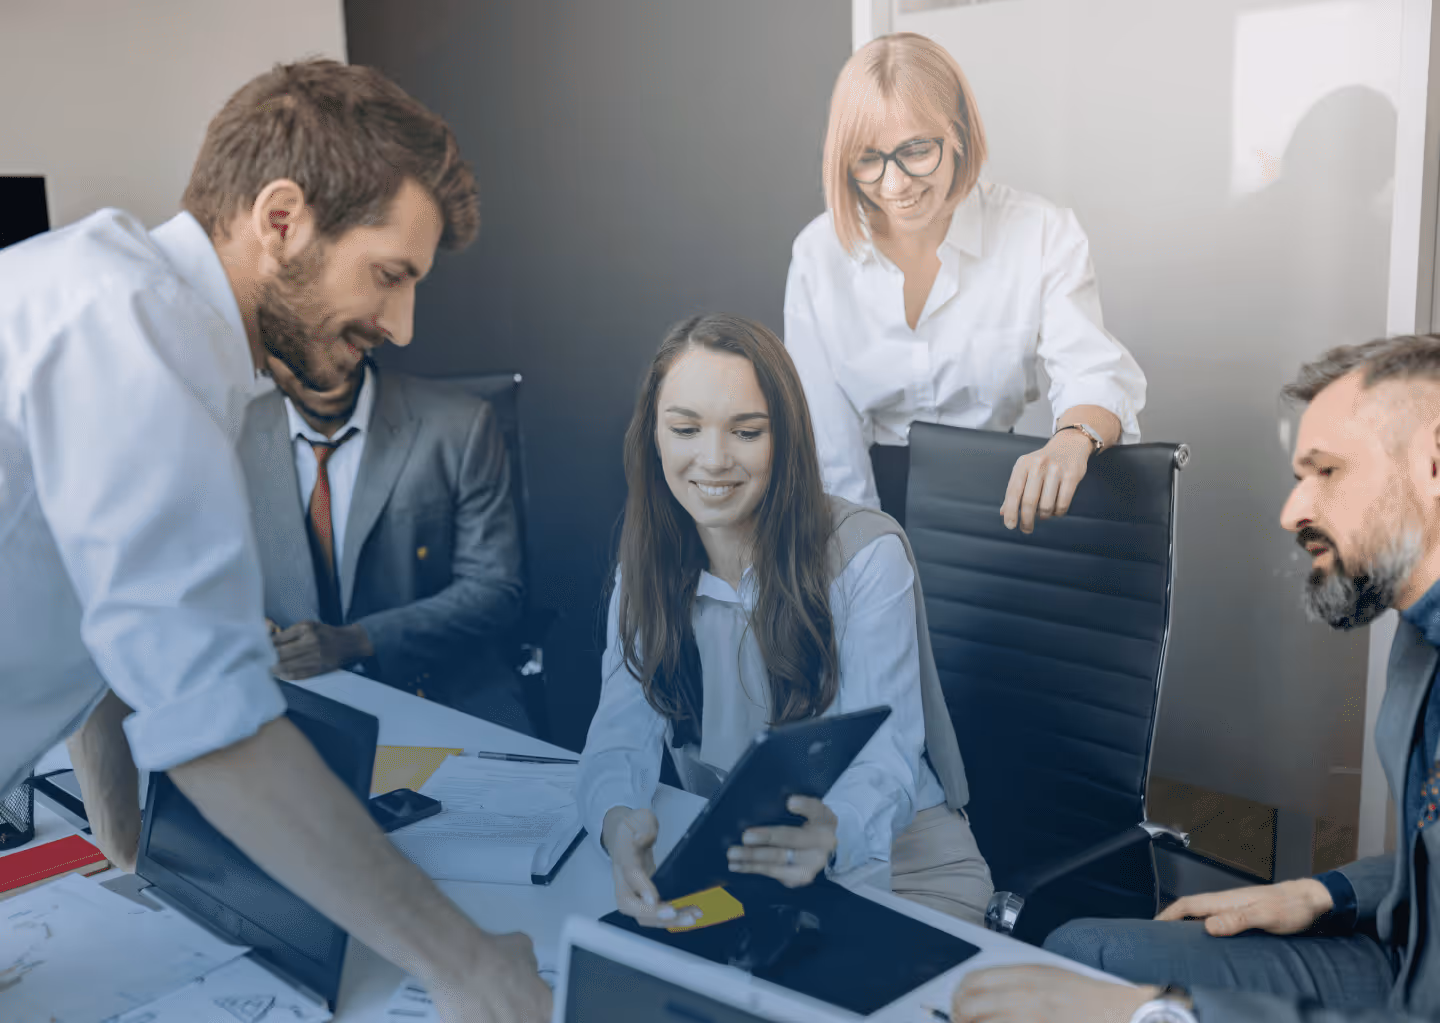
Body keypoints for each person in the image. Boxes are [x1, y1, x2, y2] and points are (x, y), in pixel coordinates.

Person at [0, 60, 548, 1023]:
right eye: (390, 275)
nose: (403, 325)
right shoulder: (134, 331)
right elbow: (220, 731)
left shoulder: (122, 306)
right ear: (283, 218)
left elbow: (113, 622)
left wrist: (128, 848)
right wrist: (468, 965)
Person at [950, 333, 1440, 1023]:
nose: (1291, 510)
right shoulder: (1421, 631)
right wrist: (1328, 892)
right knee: (1080, 949)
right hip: (1406, 950)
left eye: (1326, 471)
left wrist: (1168, 1014)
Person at [577, 312, 992, 928]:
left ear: (785, 439)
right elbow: (617, 737)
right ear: (654, 438)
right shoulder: (646, 566)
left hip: (904, 869)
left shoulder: (865, 554)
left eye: (746, 433)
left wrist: (832, 831)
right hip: (752, 871)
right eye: (686, 428)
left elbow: (887, 759)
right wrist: (617, 827)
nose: (713, 460)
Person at [784, 32, 1146, 532]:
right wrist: (863, 550)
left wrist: (1069, 443)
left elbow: (1093, 372)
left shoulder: (1039, 232)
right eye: (869, 159)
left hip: (1005, 502)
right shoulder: (817, 255)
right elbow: (830, 447)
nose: (895, 185)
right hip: (864, 499)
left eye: (915, 150)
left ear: (958, 133)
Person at [238, 351, 533, 734]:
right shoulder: (230, 436)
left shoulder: (461, 423)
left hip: (444, 698)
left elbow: (495, 589)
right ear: (264, 361)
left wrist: (358, 640)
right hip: (292, 712)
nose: (322, 365)